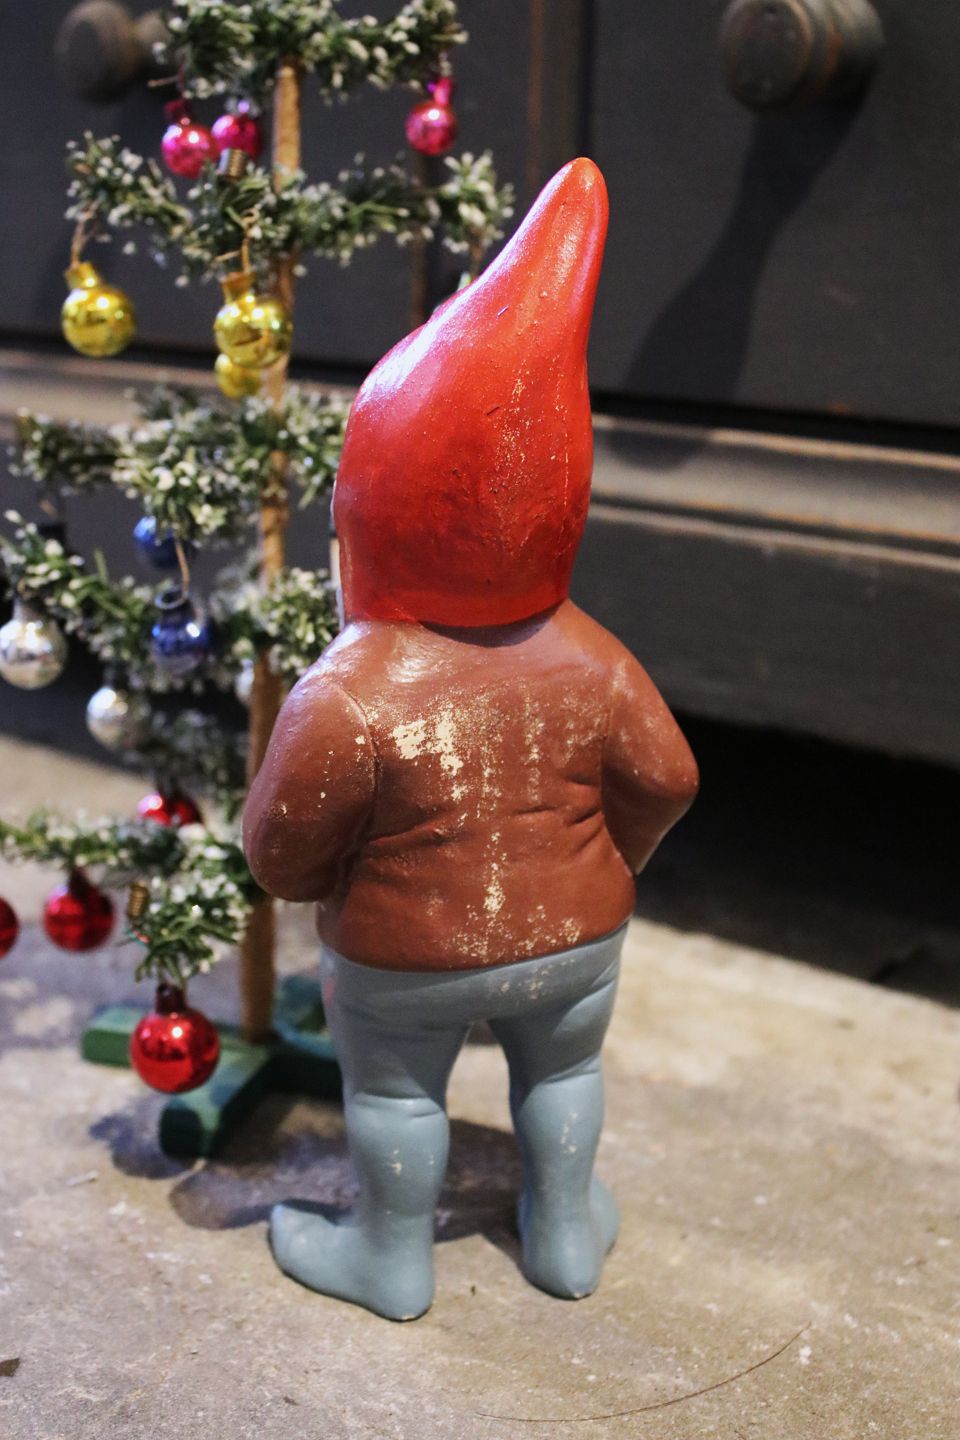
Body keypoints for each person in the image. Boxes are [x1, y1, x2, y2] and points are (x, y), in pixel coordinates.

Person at [243, 158, 699, 1321]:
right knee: (567, 1065)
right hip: (578, 938)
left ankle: (391, 1259)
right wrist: (606, 860)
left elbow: (280, 851)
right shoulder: (595, 654)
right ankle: (564, 1238)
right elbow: (668, 776)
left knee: (397, 1096)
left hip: (402, 957)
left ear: (365, 524)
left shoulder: (347, 689)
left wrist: (332, 882)